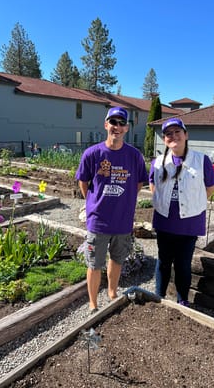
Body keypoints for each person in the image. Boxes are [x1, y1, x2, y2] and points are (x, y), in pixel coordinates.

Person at [76, 106, 148, 313]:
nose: (116, 127)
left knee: (117, 260)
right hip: (98, 221)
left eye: (121, 123)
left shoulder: (134, 156)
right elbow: (83, 183)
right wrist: (93, 203)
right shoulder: (92, 153)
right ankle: (92, 302)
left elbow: (138, 184)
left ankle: (112, 292)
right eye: (113, 122)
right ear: (106, 124)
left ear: (126, 128)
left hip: (123, 221)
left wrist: (125, 203)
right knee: (94, 264)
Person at [149, 118, 214, 306]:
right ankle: (159, 296)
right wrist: (162, 202)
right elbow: (152, 183)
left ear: (186, 135)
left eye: (177, 132)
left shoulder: (201, 160)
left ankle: (182, 301)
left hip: (189, 223)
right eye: (168, 134)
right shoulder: (158, 162)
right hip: (165, 221)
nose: (173, 136)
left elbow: (210, 187)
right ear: (164, 140)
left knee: (183, 264)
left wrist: (192, 203)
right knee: (163, 262)